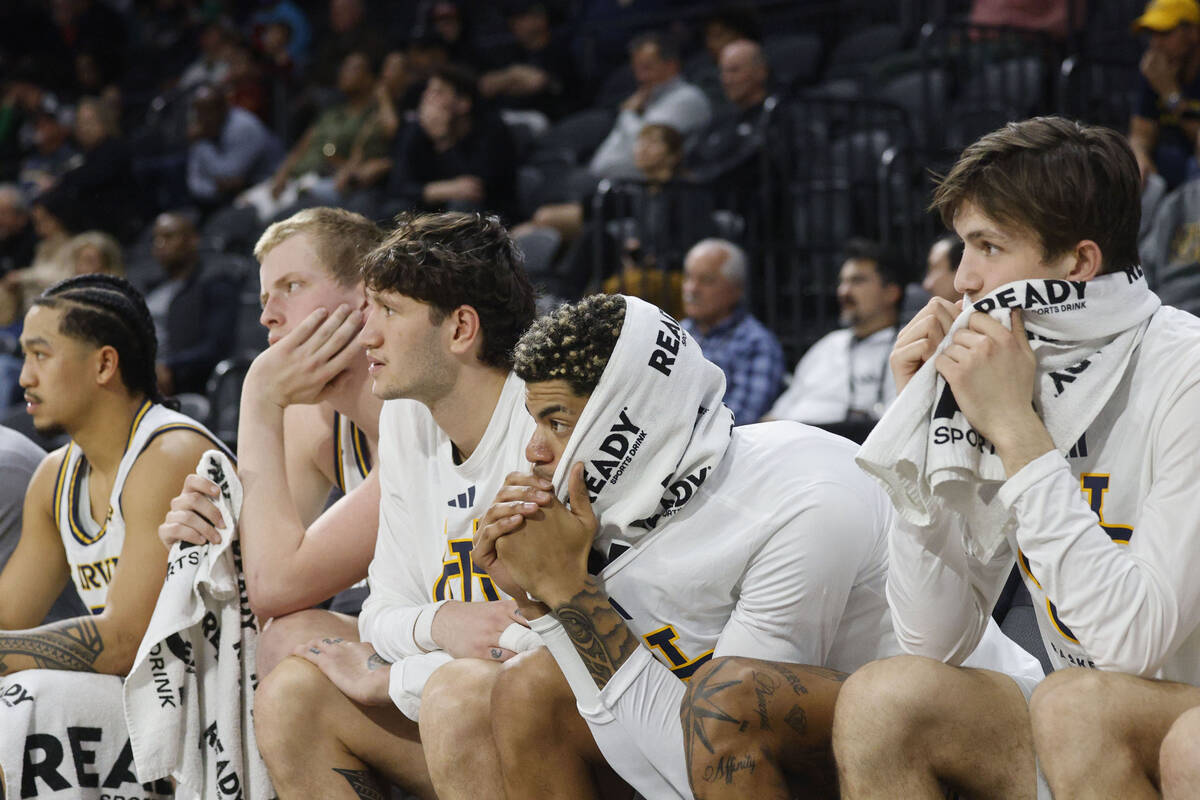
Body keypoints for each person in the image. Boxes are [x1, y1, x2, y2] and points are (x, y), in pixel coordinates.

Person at [454, 293, 1039, 800]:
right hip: (830, 748)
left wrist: (571, 592)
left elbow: (707, 762)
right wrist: (546, 603)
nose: (534, 452)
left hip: (971, 743)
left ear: (626, 422)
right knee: (530, 692)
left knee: (727, 697)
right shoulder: (631, 509)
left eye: (557, 423)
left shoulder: (803, 499)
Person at [833, 116, 1200, 799]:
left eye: (988, 246)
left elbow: (1133, 646)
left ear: (1078, 264)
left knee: (1077, 704)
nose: (964, 281)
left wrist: (1016, 432)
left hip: (1181, 717)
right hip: (1084, 716)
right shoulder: (1014, 365)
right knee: (885, 697)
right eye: (961, 247)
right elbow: (931, 640)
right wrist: (922, 437)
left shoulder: (1186, 370)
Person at [251, 212, 537, 800]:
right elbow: (381, 607)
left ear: (460, 328)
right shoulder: (407, 415)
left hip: (556, 711)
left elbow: (552, 634)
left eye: (293, 286)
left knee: (458, 694)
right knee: (291, 685)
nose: (368, 332)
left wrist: (394, 676)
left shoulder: (543, 427)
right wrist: (436, 624)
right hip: (454, 682)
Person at [157, 207, 385, 674]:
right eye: (264, 297)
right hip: (415, 633)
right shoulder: (313, 420)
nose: (267, 316)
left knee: (289, 644)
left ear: (365, 296)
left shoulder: (421, 407)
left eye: (292, 287)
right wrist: (203, 542)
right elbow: (250, 583)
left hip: (489, 634)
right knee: (278, 642)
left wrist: (258, 397)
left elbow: (277, 585)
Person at [1, 274, 225, 672]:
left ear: (104, 364)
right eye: (25, 357)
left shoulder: (169, 453)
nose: (25, 379)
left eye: (41, 356)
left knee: (29, 695)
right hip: (133, 696)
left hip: (204, 698)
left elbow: (125, 642)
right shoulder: (55, 476)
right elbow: (8, 618)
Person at [766, 238, 903, 425]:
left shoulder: (904, 346)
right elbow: (777, 414)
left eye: (857, 281)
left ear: (891, 293)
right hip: (787, 440)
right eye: (842, 282)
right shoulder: (828, 344)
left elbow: (896, 424)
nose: (844, 291)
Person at [384, 63, 517, 217]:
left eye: (438, 92)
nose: (427, 98)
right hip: (433, 208)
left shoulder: (492, 130)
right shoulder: (417, 129)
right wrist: (439, 190)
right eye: (428, 91)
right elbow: (397, 186)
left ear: (463, 104)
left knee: (461, 205)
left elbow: (474, 190)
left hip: (489, 218)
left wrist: (444, 142)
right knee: (394, 209)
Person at [680, 238, 783, 424]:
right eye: (688, 277)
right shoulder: (677, 331)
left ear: (736, 289)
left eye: (706, 280)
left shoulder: (756, 343)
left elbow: (739, 419)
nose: (691, 288)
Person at [590, 31, 712, 181]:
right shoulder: (645, 99)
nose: (640, 77)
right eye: (636, 69)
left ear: (671, 66)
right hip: (616, 182)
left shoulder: (687, 98)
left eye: (647, 68)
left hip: (660, 186)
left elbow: (646, 145)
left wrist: (628, 113)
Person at [143, 212, 238, 395]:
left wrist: (169, 366)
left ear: (193, 240)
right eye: (156, 238)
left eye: (169, 237)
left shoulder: (215, 283)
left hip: (186, 382)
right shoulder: (151, 288)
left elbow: (216, 346)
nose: (160, 244)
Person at [1129, 0, 1200, 189]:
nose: (1155, 43)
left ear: (1193, 32)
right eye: (1152, 34)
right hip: (1167, 168)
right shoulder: (1156, 70)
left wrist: (1170, 93)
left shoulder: (1161, 78)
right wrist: (1139, 157)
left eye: (1165, 33)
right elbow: (1140, 134)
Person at [186, 84, 283, 208]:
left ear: (224, 108)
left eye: (208, 111)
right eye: (199, 112)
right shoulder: (203, 130)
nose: (202, 118)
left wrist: (203, 142)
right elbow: (195, 182)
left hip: (269, 189)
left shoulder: (243, 127)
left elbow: (229, 176)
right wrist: (215, 189)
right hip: (224, 199)